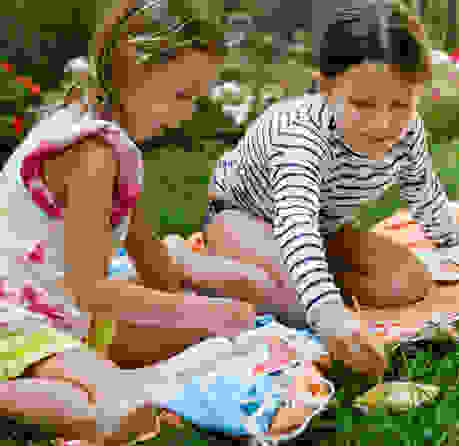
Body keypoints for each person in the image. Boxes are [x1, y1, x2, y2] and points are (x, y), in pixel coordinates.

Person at [0, 0, 328, 443]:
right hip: (18, 318)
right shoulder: (91, 155)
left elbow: (152, 263)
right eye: (182, 94)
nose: (190, 111)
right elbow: (92, 292)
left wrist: (231, 310)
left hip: (63, 312)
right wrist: (207, 311)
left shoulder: (115, 145)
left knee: (215, 325)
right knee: (113, 401)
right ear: (133, 73)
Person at [204, 0, 459, 377]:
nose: (383, 122)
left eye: (400, 104)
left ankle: (294, 276)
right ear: (326, 87)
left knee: (409, 282)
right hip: (242, 216)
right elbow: (295, 225)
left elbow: (422, 188)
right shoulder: (300, 136)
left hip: (319, 229)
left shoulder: (407, 131)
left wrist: (455, 247)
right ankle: (200, 266)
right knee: (299, 309)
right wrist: (331, 318)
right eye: (363, 104)